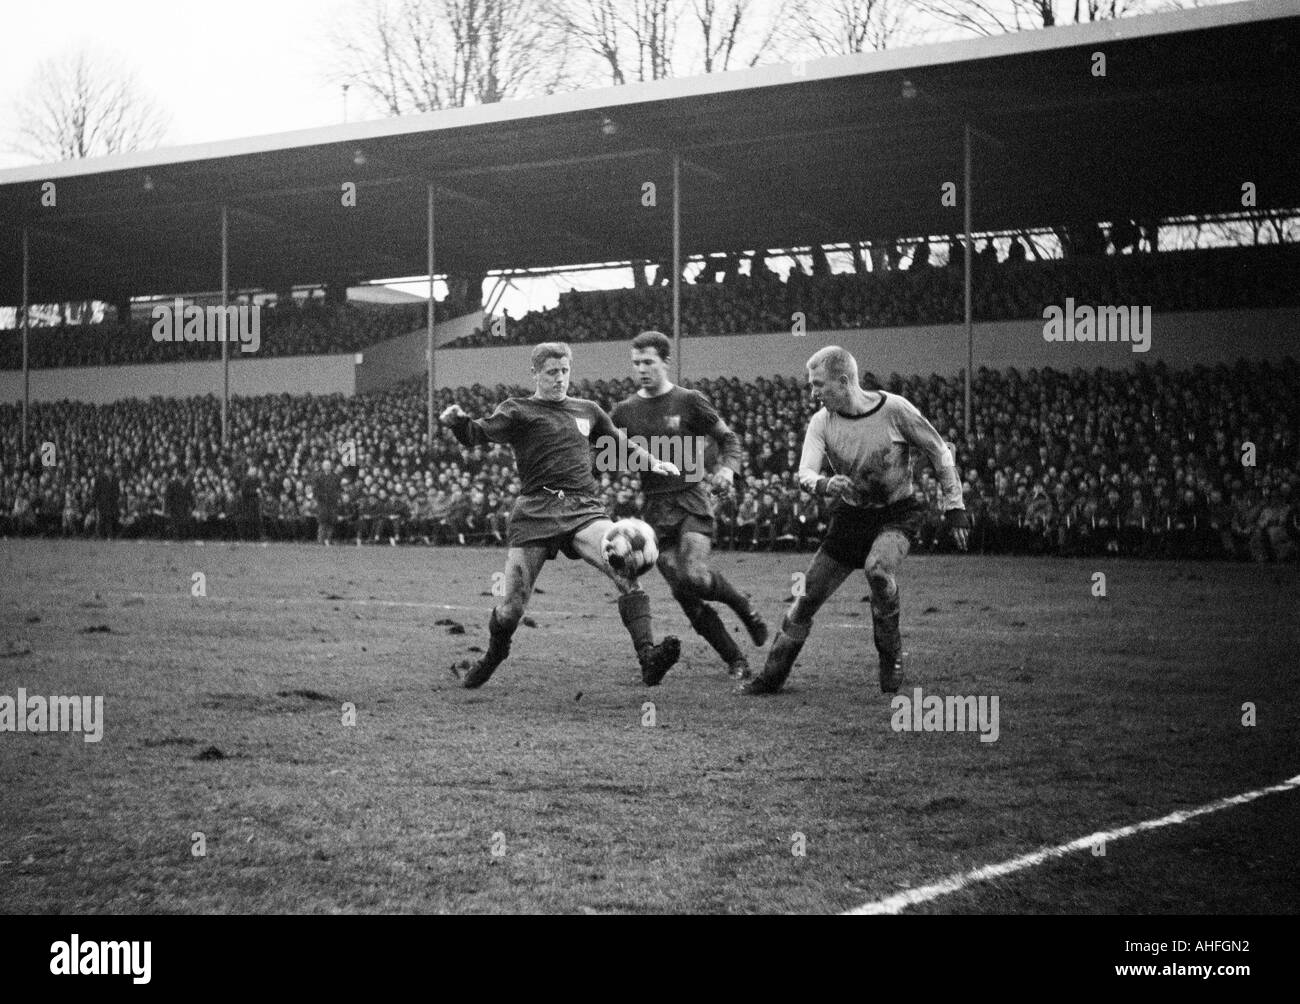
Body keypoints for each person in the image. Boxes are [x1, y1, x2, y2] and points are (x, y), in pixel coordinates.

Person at [440, 341, 683, 689]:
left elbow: (618, 443)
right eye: (552, 372)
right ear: (535, 373)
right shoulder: (518, 410)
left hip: (583, 509)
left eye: (565, 371)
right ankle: (493, 655)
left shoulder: (587, 410)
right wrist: (458, 423)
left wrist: (655, 462)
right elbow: (477, 433)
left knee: (624, 564)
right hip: (536, 511)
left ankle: (648, 657)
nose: (560, 379)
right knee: (512, 608)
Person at [743, 345, 969, 696]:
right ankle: (771, 676)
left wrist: (955, 506)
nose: (813, 392)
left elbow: (939, 449)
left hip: (897, 513)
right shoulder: (822, 422)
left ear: (844, 381)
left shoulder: (894, 410)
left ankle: (891, 656)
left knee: (877, 569)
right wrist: (824, 483)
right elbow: (804, 471)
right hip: (850, 518)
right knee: (804, 597)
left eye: (818, 384)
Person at [610, 331, 767, 679]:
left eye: (648, 361)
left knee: (693, 575)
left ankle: (742, 605)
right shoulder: (624, 411)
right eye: (636, 363)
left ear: (666, 362)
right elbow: (598, 449)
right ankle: (735, 659)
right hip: (654, 510)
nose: (642, 369)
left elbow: (729, 439)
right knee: (684, 593)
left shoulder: (690, 401)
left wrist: (728, 468)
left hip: (692, 499)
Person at [313, 459, 342, 546]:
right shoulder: (318, 477)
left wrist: (335, 497)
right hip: (322, 503)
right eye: (325, 465)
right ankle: (321, 540)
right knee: (322, 522)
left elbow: (338, 490)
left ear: (331, 466)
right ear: (322, 466)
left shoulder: (336, 477)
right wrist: (321, 496)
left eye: (328, 465)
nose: (327, 467)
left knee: (331, 522)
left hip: (332, 503)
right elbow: (316, 490)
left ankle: (329, 540)